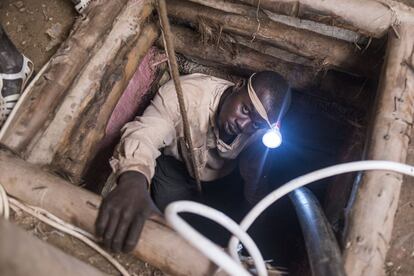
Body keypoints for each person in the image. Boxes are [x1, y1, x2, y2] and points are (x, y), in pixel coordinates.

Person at [96, 71, 291, 253]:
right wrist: (133, 180)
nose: (243, 124)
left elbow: (254, 178)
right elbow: (146, 133)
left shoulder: (260, 134)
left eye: (255, 123)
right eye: (245, 109)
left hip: (223, 180)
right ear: (238, 86)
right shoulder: (186, 95)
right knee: (175, 227)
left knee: (218, 234)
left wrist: (255, 219)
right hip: (175, 169)